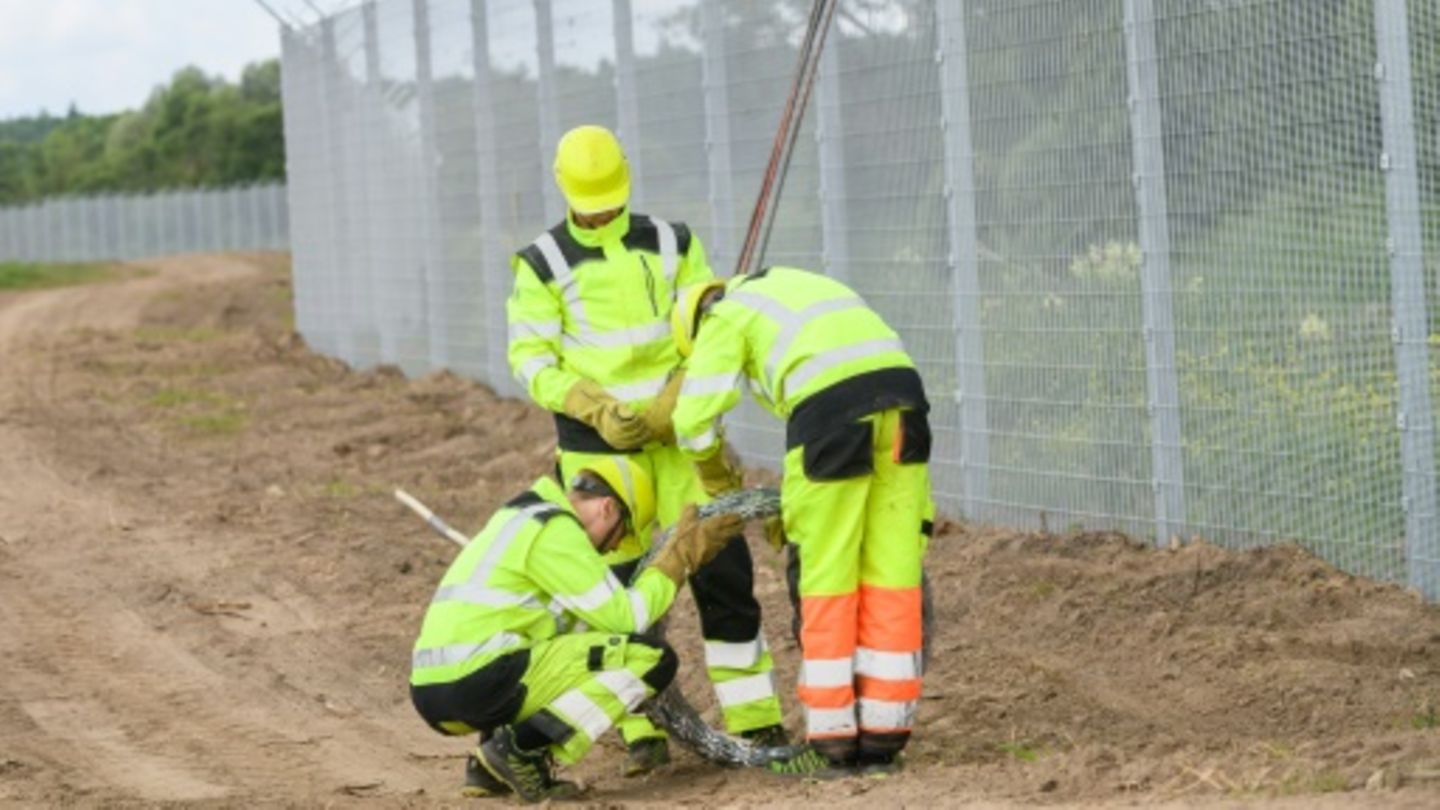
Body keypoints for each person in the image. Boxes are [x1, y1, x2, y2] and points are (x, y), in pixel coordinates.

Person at [506, 124, 786, 773]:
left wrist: (680, 392)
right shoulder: (541, 263)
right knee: (619, 594)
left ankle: (756, 720)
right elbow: (528, 357)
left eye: (610, 196)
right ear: (567, 191)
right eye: (592, 199)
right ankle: (641, 733)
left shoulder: (672, 242)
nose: (603, 209)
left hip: (680, 434)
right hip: (598, 451)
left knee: (722, 572)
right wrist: (590, 404)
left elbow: (707, 328)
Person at [666, 266, 934, 778]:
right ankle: (883, 742)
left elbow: (693, 423)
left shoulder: (722, 317)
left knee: (827, 574)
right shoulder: (792, 287)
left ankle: (832, 744)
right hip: (905, 402)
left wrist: (718, 478)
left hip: (830, 416)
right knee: (892, 575)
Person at [409, 457, 744, 803]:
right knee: (650, 658)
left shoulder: (519, 517)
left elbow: (576, 633)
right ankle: (519, 750)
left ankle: (486, 767)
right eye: (621, 534)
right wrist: (678, 559)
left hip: (434, 691)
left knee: (562, 648)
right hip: (479, 681)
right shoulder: (555, 531)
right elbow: (627, 619)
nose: (614, 548)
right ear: (607, 508)